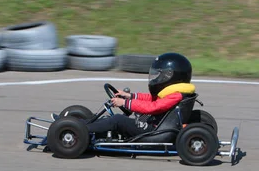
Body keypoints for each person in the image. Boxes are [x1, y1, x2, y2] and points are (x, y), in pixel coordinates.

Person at [52, 52, 196, 138]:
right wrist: (130, 96)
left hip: (154, 132)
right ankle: (81, 124)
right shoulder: (174, 94)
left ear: (171, 77)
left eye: (160, 76)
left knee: (117, 120)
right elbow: (152, 99)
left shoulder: (175, 96)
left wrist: (125, 104)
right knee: (111, 118)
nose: (157, 79)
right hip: (155, 126)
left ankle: (75, 129)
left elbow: (153, 107)